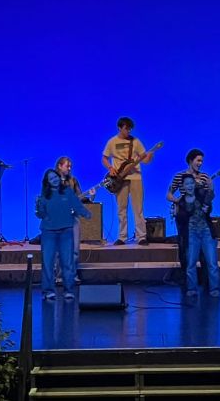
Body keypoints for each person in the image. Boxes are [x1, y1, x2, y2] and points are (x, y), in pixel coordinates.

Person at [36, 156, 92, 300]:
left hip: (71, 219)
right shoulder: (49, 182)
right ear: (59, 166)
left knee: (74, 250)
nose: (69, 168)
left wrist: (91, 197)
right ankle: (55, 279)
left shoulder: (73, 181)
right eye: (67, 166)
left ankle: (70, 278)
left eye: (70, 166)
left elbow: (79, 198)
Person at [167, 149, 220, 297]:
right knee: (185, 251)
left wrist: (210, 189)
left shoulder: (204, 177)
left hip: (201, 219)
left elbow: (208, 197)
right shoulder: (180, 176)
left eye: (202, 161)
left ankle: (208, 284)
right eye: (198, 160)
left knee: (206, 256)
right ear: (190, 160)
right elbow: (169, 194)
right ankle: (188, 285)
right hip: (184, 218)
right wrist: (179, 202)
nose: (200, 163)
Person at [102, 116, 155, 245]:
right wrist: (110, 168)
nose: (129, 131)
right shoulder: (112, 142)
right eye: (126, 128)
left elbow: (144, 160)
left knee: (138, 208)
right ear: (119, 128)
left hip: (135, 177)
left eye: (130, 128)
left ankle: (141, 236)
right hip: (119, 179)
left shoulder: (136, 141)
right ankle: (122, 237)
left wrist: (149, 157)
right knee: (121, 209)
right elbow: (104, 158)